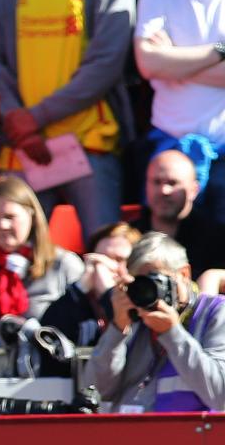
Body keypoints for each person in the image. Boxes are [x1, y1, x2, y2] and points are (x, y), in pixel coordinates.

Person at [0, 0, 137, 247]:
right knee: (19, 258)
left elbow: (106, 64)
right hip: (23, 148)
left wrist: (34, 118)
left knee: (105, 252)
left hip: (88, 141)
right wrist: (19, 123)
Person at [134, 0, 225, 221]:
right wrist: (217, 52)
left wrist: (172, 62)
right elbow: (147, 65)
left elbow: (158, 64)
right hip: (166, 144)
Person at [87, 232, 225, 411]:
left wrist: (172, 333)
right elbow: (95, 390)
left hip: (187, 435)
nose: (149, 291)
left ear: (184, 274)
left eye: (156, 280)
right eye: (140, 282)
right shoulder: (134, 315)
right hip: (130, 434)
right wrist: (117, 329)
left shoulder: (215, 313)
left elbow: (220, 395)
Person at [0, 175, 85, 348]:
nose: (2, 225)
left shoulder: (64, 265)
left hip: (44, 369)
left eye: (9, 216)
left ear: (32, 216)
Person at [41, 221, 142, 347]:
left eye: (118, 260)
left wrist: (108, 292)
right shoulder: (77, 299)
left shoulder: (143, 299)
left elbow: (132, 340)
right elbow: (48, 335)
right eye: (99, 259)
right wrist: (79, 289)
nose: (104, 266)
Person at [133, 150, 225, 276]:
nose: (164, 190)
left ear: (194, 190)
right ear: (146, 186)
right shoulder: (129, 237)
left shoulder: (218, 241)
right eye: (157, 182)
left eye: (173, 183)